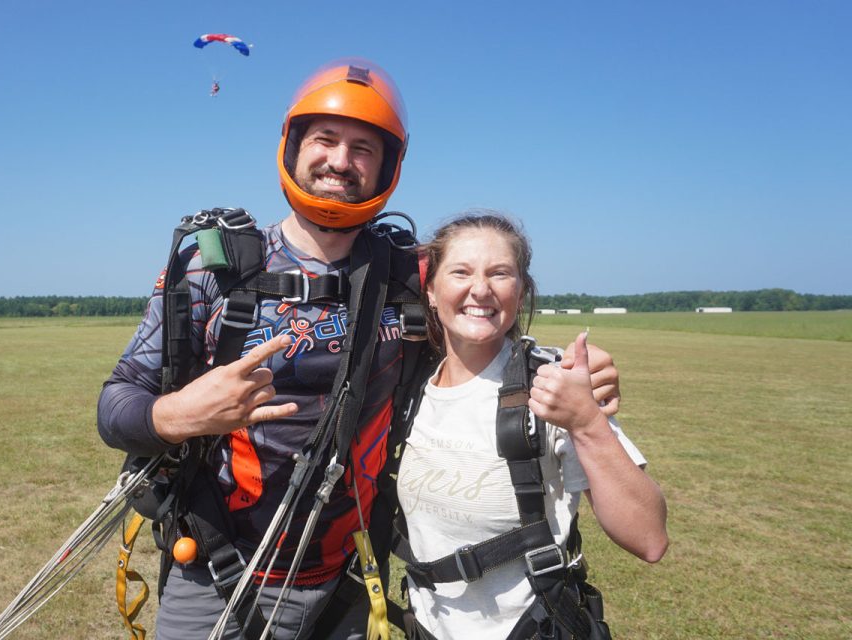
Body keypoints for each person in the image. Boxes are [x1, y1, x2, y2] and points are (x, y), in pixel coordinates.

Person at [98, 59, 623, 640]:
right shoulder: (213, 268)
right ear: (294, 147)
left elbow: (480, 314)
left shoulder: (407, 276)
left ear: (387, 167)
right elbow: (117, 403)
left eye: (363, 148)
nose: (340, 162)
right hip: (216, 570)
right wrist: (178, 414)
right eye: (325, 139)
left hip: (346, 579)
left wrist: (568, 369)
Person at [394, 212, 669, 640]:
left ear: (520, 292)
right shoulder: (408, 387)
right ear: (430, 291)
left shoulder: (555, 385)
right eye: (460, 271)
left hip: (530, 628)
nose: (480, 289)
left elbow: (649, 538)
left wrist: (587, 423)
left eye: (500, 273)